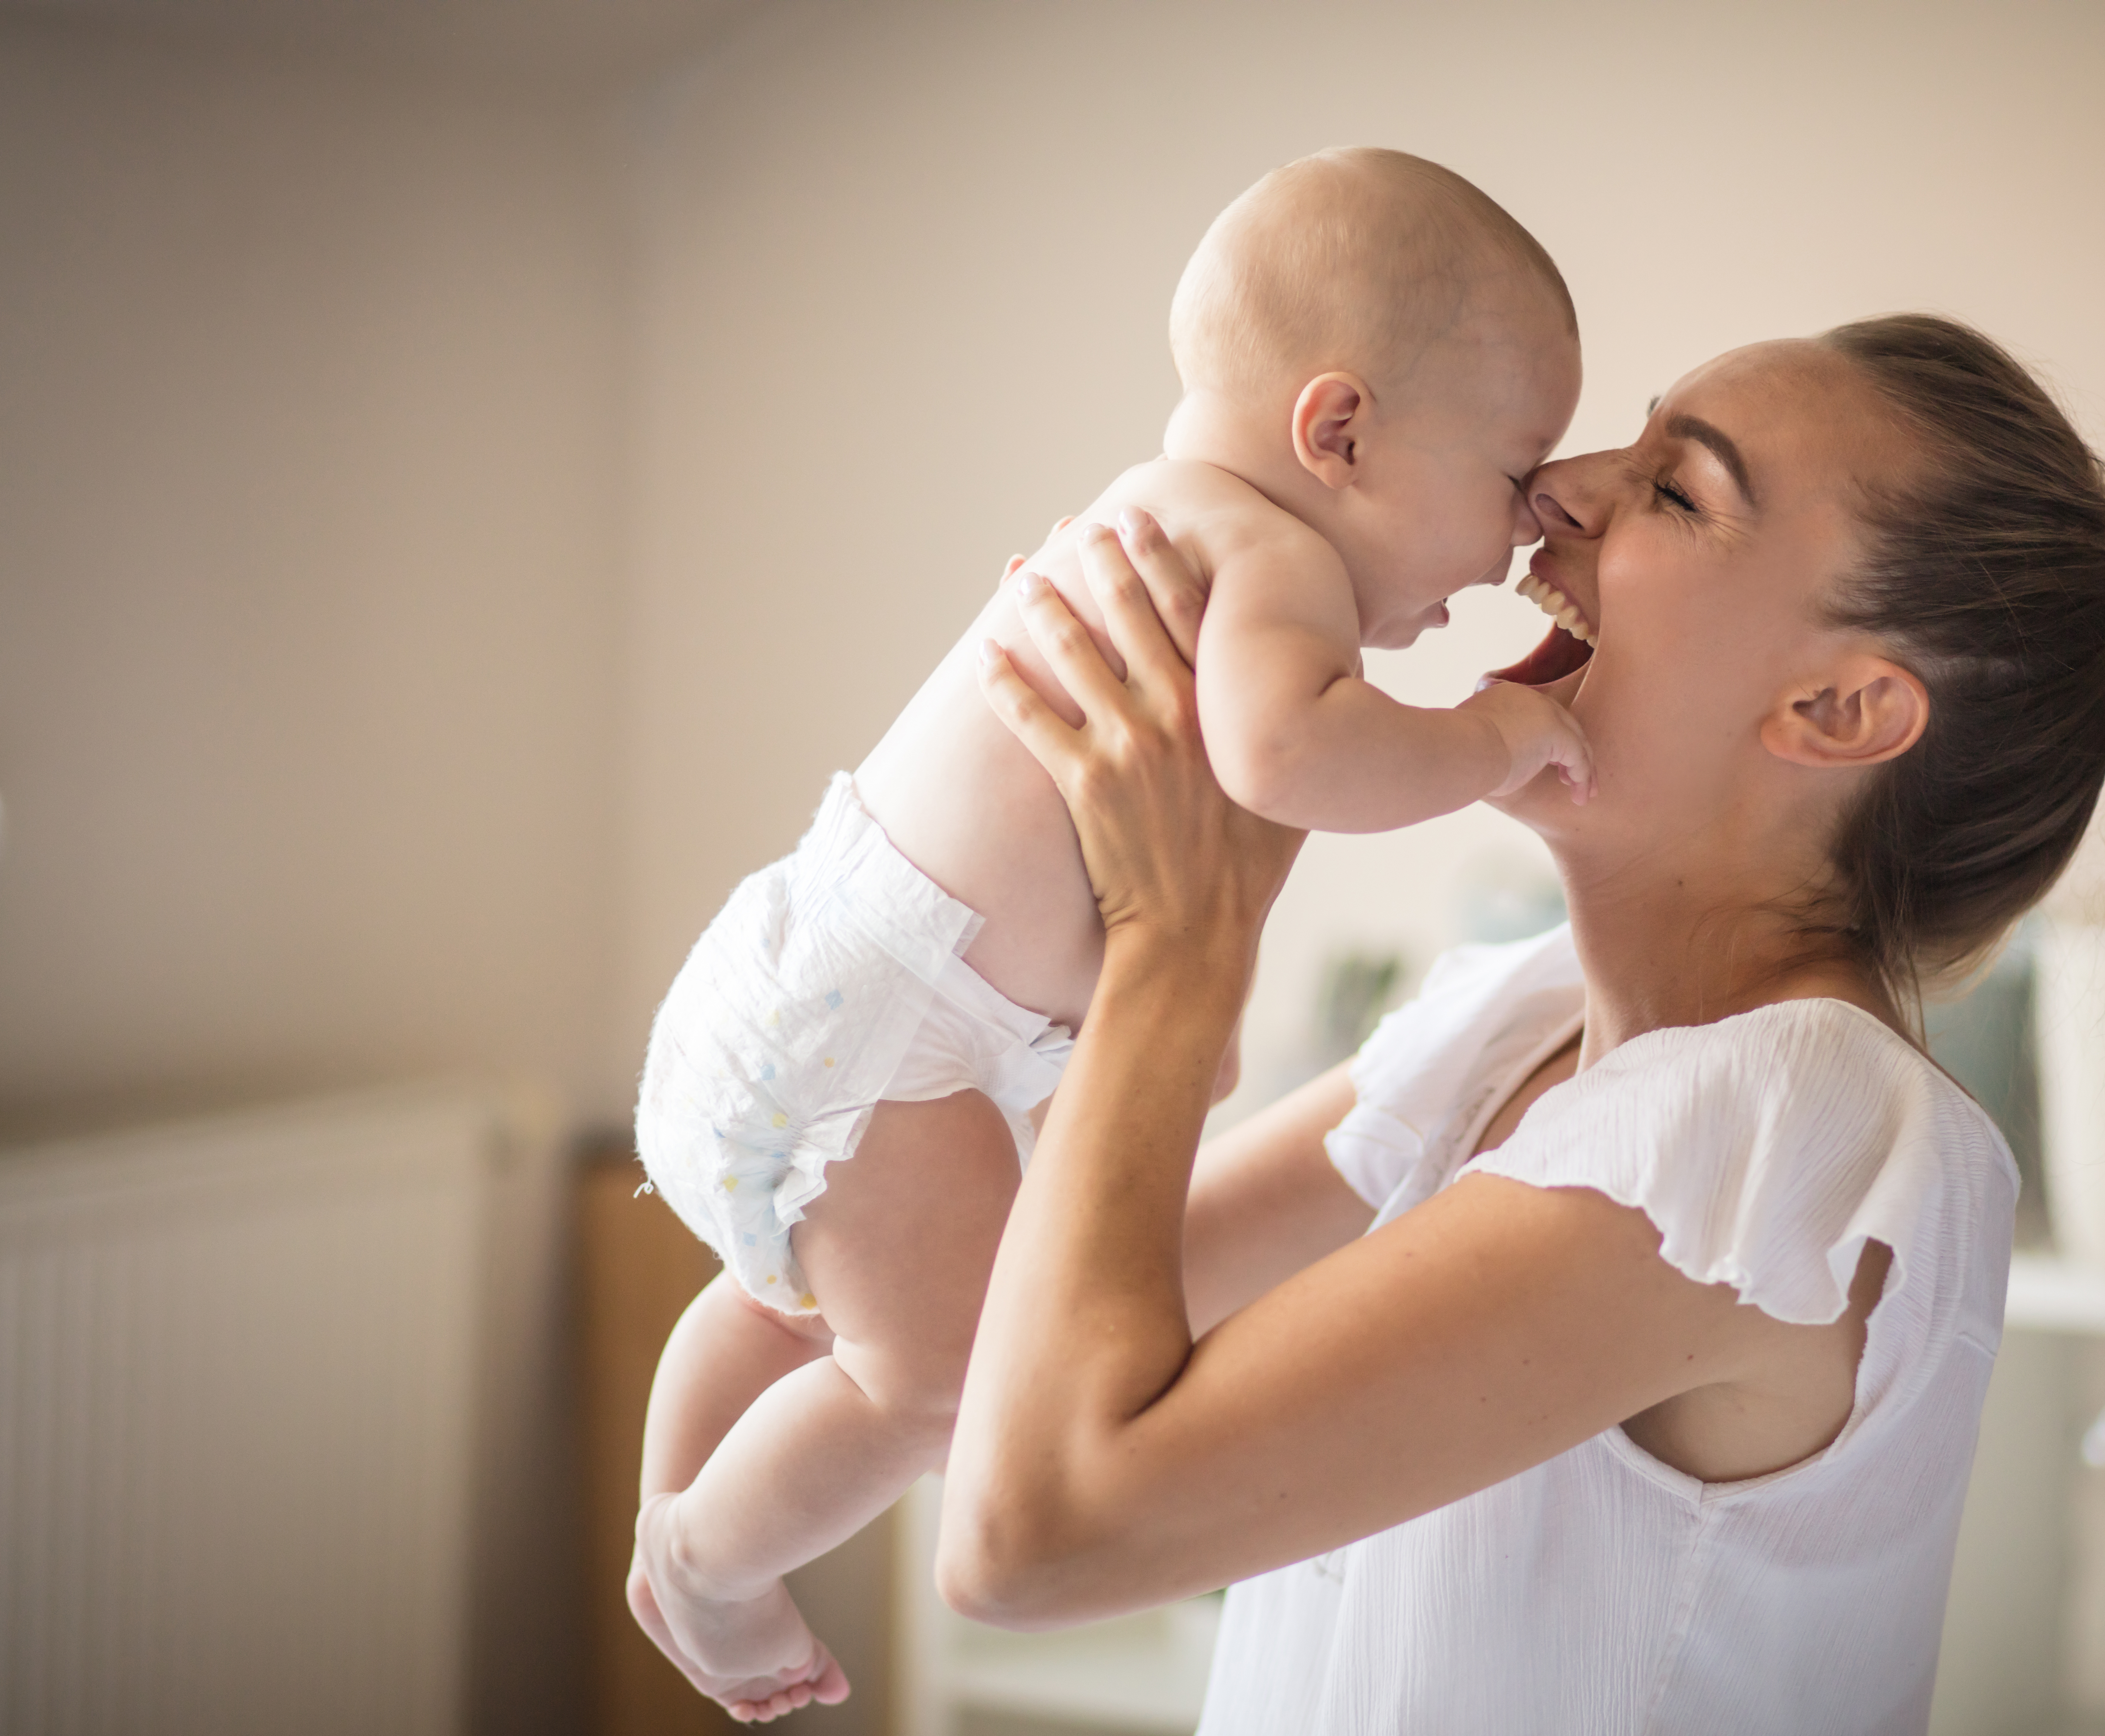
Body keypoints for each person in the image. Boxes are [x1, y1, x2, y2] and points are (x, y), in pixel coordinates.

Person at [943, 314, 2105, 1735]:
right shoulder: (1524, 1015)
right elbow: (958, 1350)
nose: (1560, 487)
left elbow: (1034, 1534)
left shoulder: (1788, 1132)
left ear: (1839, 708)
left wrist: (1177, 944)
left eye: (1677, 489)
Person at [625, 148, 1588, 1721]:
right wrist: (1497, 736)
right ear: (1340, 431)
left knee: (782, 1305)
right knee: (947, 1382)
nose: (1519, 540)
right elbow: (1286, 757)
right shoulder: (1270, 554)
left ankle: (671, 1516)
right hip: (893, 1038)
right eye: (1512, 472)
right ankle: (705, 1565)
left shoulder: (1163, 518)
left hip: (824, 986)